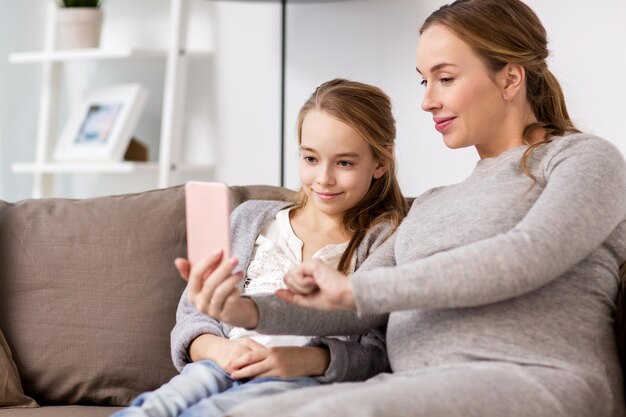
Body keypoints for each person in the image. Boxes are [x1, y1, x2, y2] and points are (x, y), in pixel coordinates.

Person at [190, 1, 626, 416]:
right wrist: (247, 311)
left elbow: (529, 254)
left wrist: (356, 290)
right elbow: (356, 302)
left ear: (510, 79)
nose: (427, 101)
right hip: (413, 387)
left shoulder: (584, 159)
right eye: (424, 80)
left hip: (533, 381)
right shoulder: (434, 203)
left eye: (445, 78)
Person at [110, 78, 407, 417]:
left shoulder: (384, 240)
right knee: (155, 409)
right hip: (221, 363)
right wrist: (222, 351)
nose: (323, 178)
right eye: (311, 159)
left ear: (380, 163)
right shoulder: (251, 219)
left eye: (344, 163)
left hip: (299, 381)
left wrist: (308, 360)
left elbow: (381, 351)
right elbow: (193, 317)